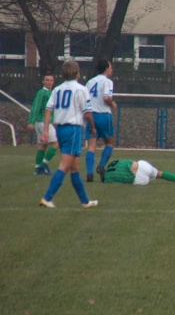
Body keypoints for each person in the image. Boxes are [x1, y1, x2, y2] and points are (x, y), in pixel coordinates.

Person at [39, 61, 98, 208]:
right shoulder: (81, 89)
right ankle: (46, 198)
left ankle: (85, 201)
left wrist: (46, 130)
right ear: (78, 73)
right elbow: (87, 112)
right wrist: (93, 126)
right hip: (73, 130)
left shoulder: (57, 89)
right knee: (64, 166)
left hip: (60, 129)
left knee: (75, 167)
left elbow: (48, 110)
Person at [85, 59, 117, 182]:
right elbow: (106, 97)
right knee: (109, 142)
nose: (111, 69)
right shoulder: (107, 82)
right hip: (103, 115)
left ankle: (89, 173)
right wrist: (112, 104)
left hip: (91, 115)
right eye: (110, 67)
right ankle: (101, 166)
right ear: (106, 69)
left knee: (91, 146)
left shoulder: (89, 82)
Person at [27, 73, 59, 175]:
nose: (49, 82)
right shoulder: (42, 93)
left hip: (44, 122)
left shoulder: (50, 93)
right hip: (42, 122)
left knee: (43, 145)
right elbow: (35, 107)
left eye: (51, 80)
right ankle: (43, 166)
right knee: (55, 143)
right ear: (43, 81)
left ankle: (37, 170)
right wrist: (31, 121)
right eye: (47, 80)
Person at [103, 159, 175, 186]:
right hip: (142, 166)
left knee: (152, 176)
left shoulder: (107, 178)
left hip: (138, 179)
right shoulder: (114, 163)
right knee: (159, 174)